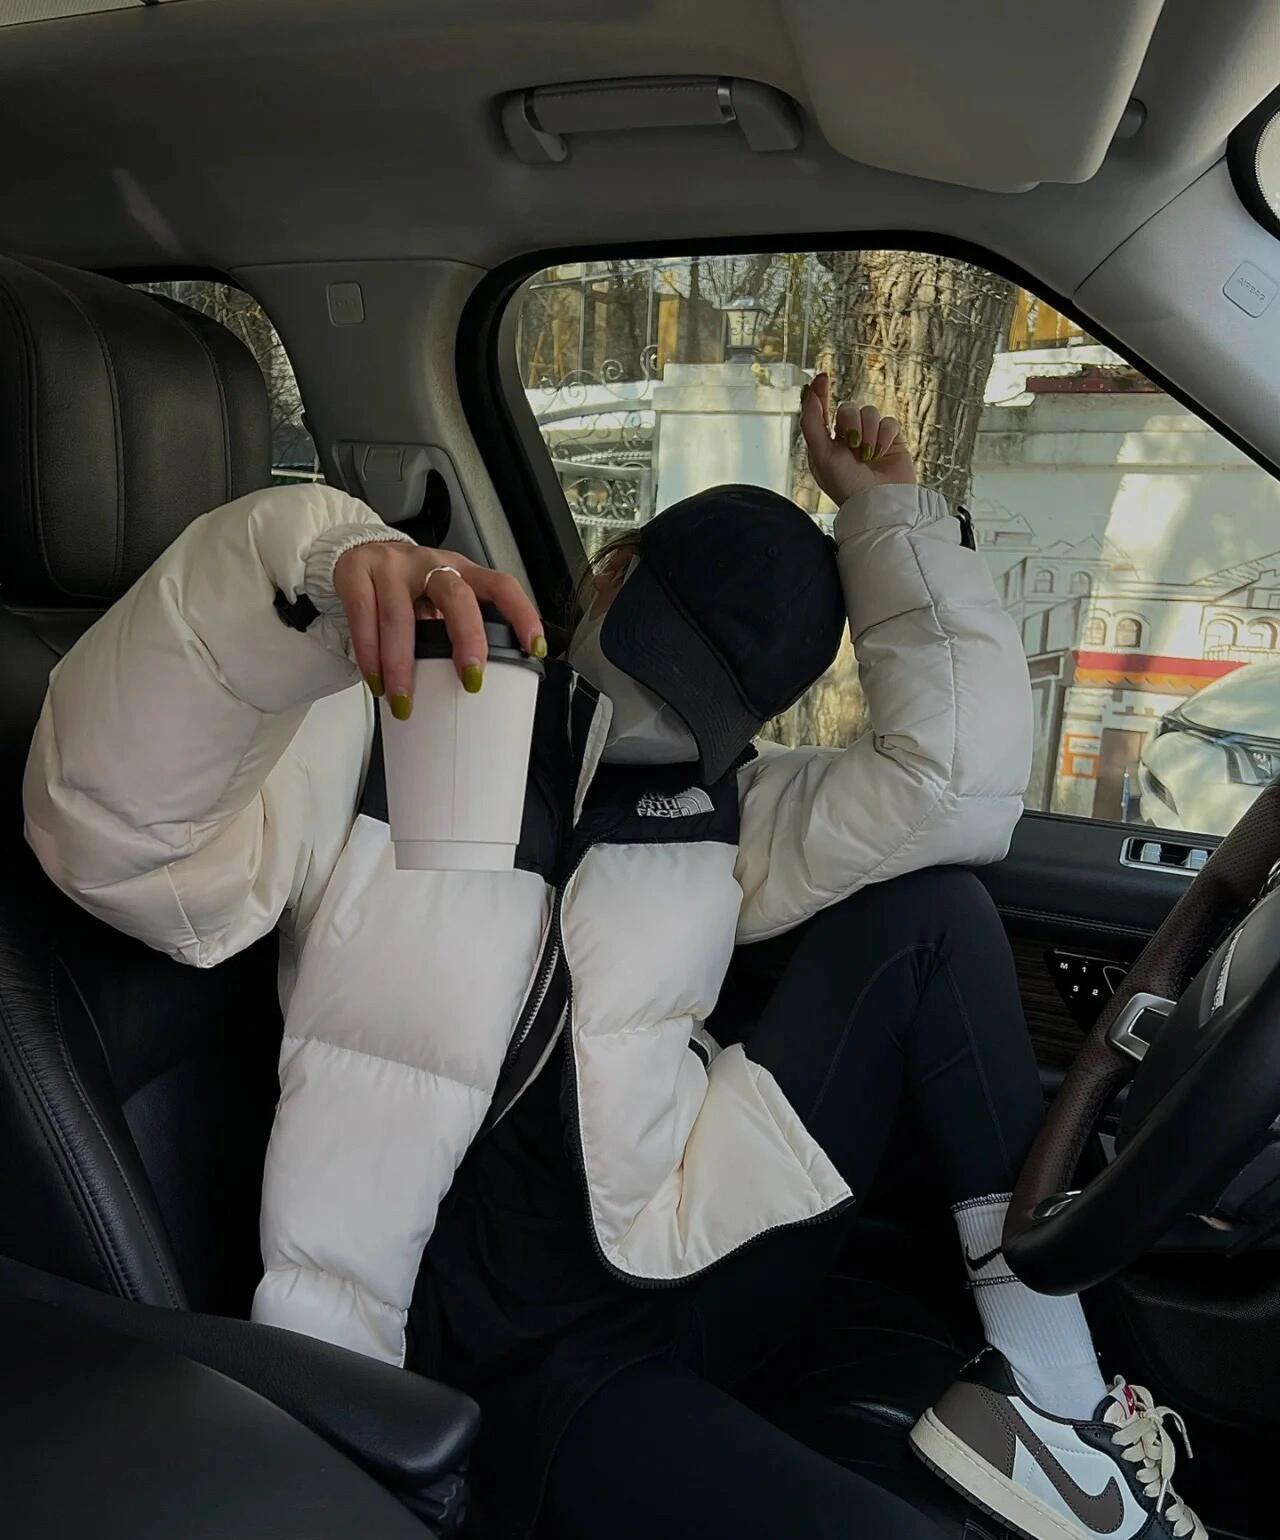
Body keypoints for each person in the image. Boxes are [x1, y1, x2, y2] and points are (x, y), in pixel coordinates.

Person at [23, 373, 1204, 1540]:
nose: (671, 714)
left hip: (680, 1254)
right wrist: (312, 568)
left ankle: (1053, 1396)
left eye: (716, 698)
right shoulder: (394, 724)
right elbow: (111, 835)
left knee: (932, 912)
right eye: (671, 658)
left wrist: (884, 518)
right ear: (608, 574)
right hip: (511, 1365)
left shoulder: (717, 801)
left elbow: (950, 791)